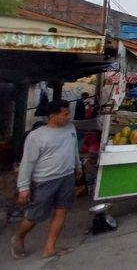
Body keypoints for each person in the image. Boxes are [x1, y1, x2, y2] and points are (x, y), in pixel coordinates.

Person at [12, 100, 82, 259]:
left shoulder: (70, 128)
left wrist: (78, 166)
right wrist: (23, 187)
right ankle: (19, 237)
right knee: (34, 215)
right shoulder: (36, 136)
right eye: (65, 114)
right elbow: (27, 162)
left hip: (67, 177)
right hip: (45, 180)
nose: (68, 117)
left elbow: (73, 148)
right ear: (53, 116)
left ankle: (49, 248)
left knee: (61, 211)